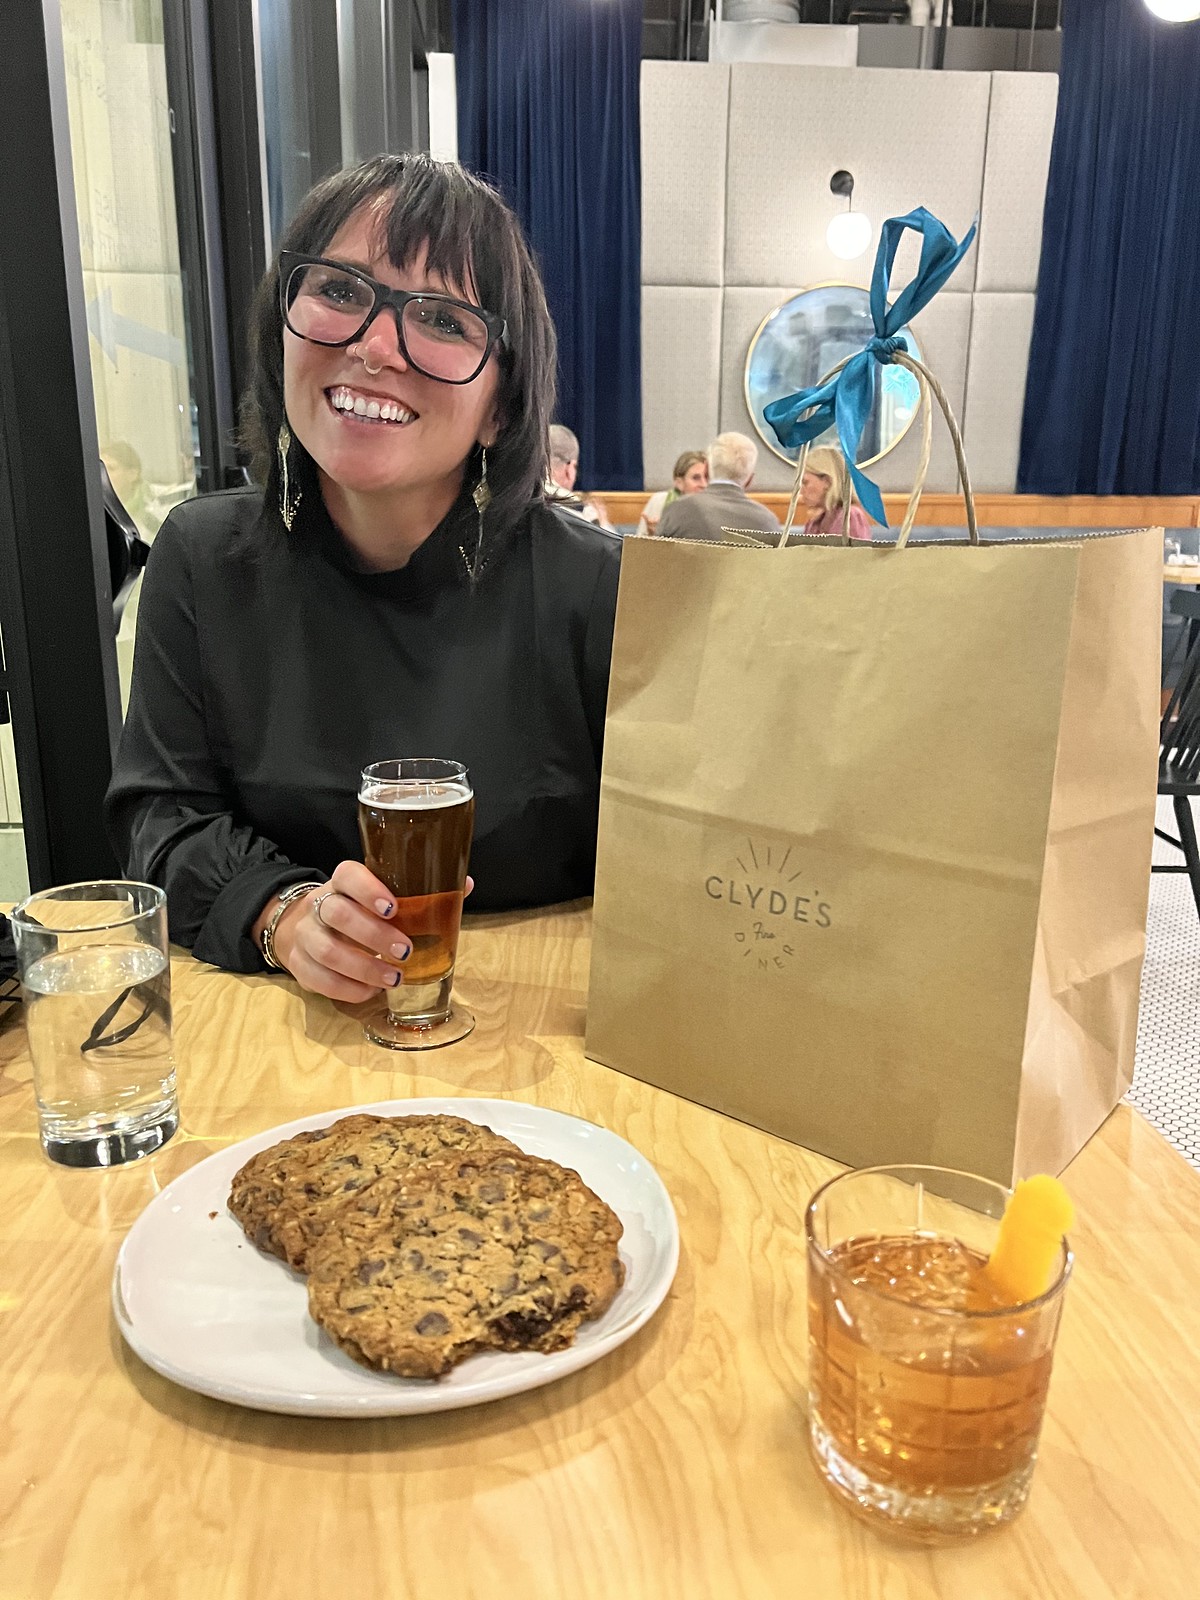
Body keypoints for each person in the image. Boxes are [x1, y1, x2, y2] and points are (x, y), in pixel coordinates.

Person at [105, 154, 621, 1006]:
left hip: (540, 1021)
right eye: (341, 291)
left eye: (444, 319)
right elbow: (160, 817)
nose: (376, 348)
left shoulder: (599, 590)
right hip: (279, 1023)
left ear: (501, 405)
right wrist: (282, 912)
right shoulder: (202, 557)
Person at [656, 432, 780, 544]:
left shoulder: (677, 510)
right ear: (750, 480)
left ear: (706, 469)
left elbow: (656, 558)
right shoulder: (768, 522)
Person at [798, 445, 872, 541]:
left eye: (805, 482)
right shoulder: (814, 523)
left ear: (827, 481)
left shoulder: (850, 517)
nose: (801, 491)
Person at [636, 450, 707, 536]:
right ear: (679, 483)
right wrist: (653, 535)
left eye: (707, 477)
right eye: (696, 478)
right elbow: (637, 543)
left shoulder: (715, 507)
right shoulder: (659, 502)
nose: (704, 484)